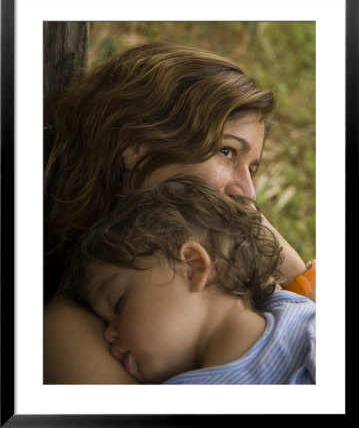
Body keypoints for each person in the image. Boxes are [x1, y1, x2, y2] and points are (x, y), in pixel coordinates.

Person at [44, 43, 315, 384]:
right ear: (134, 142)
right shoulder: (71, 327)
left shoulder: (228, 266)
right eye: (227, 151)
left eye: (252, 168)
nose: (248, 193)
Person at [61, 178, 315, 385]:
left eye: (118, 304)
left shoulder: (293, 306)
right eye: (104, 320)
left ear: (193, 266)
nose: (107, 334)